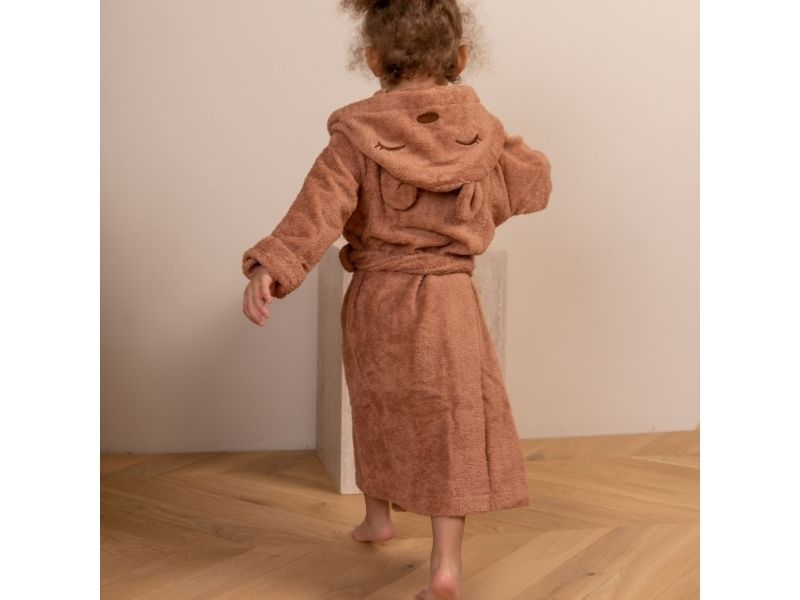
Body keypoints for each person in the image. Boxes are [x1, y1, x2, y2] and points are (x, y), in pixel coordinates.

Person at [240, 1, 553, 598]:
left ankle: (377, 518)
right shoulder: (481, 129)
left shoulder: (355, 136)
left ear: (373, 59)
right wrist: (492, 146)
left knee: (378, 405)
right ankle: (445, 564)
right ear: (461, 57)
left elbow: (317, 212)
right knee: (451, 423)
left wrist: (272, 268)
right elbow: (531, 184)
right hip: (450, 301)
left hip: (378, 296)